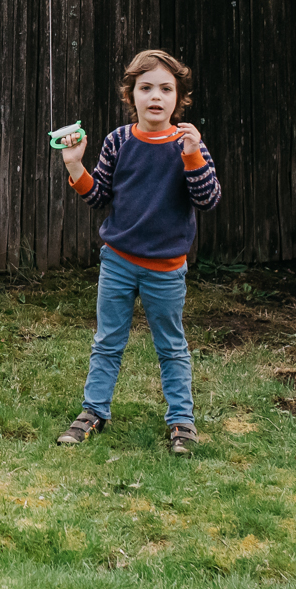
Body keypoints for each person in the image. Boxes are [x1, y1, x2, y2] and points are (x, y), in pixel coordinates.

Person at [54, 49, 221, 455]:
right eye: (146, 88)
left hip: (166, 268)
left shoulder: (188, 143)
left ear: (178, 98)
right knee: (108, 340)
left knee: (171, 346)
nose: (156, 96)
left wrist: (192, 155)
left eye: (166, 88)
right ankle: (94, 412)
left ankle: (182, 422)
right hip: (118, 262)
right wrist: (75, 166)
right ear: (132, 96)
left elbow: (209, 198)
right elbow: (99, 198)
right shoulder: (117, 141)